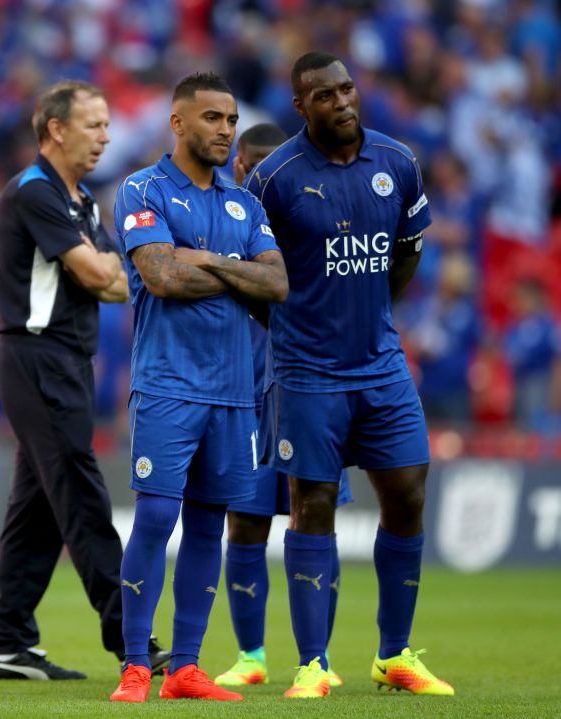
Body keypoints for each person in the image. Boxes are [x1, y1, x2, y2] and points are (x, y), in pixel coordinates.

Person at [244, 51, 454, 698]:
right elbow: (255, 275)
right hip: (305, 369)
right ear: (300, 106)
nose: (342, 103)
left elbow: (407, 256)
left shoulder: (397, 163)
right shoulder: (273, 179)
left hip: (381, 364)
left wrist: (369, 318)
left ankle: (394, 654)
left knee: (409, 494)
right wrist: (296, 328)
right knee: (314, 505)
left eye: (347, 89)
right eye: (324, 95)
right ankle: (313, 662)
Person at [110, 72, 288, 703]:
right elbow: (161, 276)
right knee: (156, 517)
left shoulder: (246, 203)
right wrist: (238, 271)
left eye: (232, 119)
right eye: (212, 117)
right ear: (178, 123)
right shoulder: (142, 187)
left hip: (235, 391)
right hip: (168, 383)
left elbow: (277, 286)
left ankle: (185, 668)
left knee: (209, 525)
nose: (225, 130)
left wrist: (206, 259)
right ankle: (136, 665)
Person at [0, 80, 169, 681]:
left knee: (37, 506)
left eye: (107, 124)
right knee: (83, 495)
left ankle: (12, 645)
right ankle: (132, 640)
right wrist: (110, 270)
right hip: (37, 359)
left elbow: (116, 283)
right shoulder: (35, 192)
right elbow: (105, 276)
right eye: (93, 125)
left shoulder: (81, 200)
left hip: (63, 362)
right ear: (56, 129)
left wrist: (109, 273)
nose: (106, 136)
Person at [214, 123, 354, 691]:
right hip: (245, 399)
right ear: (241, 167)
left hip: (309, 393)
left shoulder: (315, 224)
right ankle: (251, 655)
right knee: (244, 522)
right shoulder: (228, 223)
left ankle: (316, 657)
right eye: (262, 165)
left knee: (317, 519)